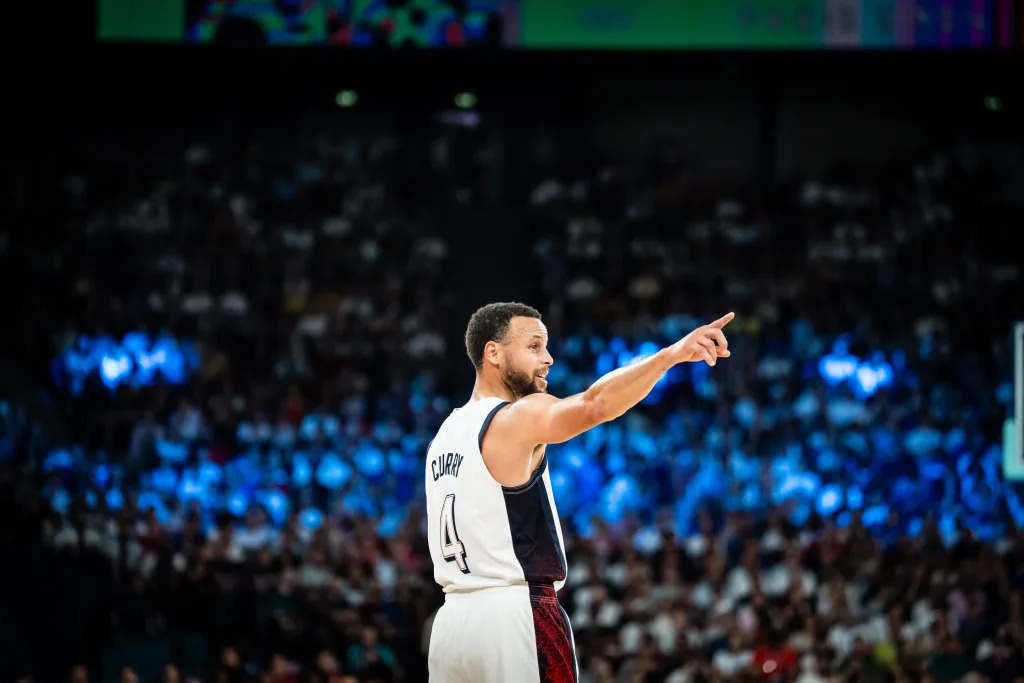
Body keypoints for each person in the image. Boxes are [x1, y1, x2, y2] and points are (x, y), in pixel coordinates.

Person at [425, 302, 733, 682]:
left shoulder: (444, 435)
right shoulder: (515, 416)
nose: (548, 358)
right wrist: (669, 357)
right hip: (513, 616)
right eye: (534, 346)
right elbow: (594, 405)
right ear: (493, 352)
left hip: (452, 626)